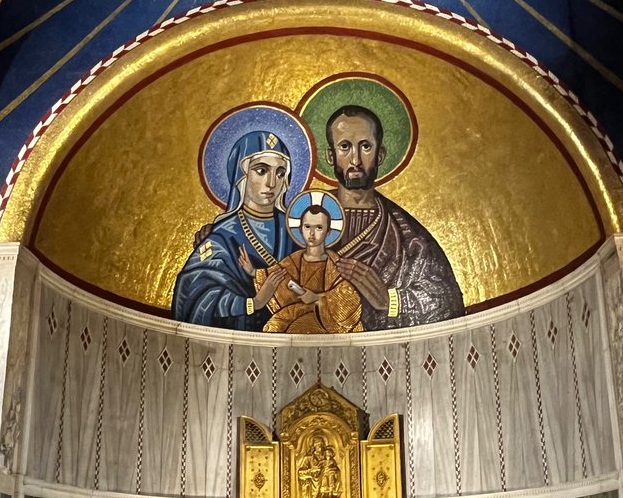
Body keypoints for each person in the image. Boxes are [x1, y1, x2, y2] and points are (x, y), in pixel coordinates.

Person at [325, 105, 465, 330]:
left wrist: (391, 301)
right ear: (330, 156)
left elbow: (448, 300)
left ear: (380, 155)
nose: (355, 160)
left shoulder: (408, 234)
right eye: (345, 147)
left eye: (366, 147)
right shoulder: (302, 220)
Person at [171, 131, 295, 330]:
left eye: (280, 173)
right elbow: (194, 292)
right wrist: (252, 303)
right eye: (261, 171)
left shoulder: (296, 231)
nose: (272, 183)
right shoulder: (221, 237)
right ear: (241, 176)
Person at [246, 203, 363, 334]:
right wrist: (253, 272)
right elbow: (278, 275)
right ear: (301, 229)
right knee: (272, 328)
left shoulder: (336, 264)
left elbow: (348, 298)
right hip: (296, 310)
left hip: (324, 319)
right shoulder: (294, 260)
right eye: (307, 227)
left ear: (328, 231)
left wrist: (317, 298)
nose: (312, 233)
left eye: (319, 227)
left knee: (297, 329)